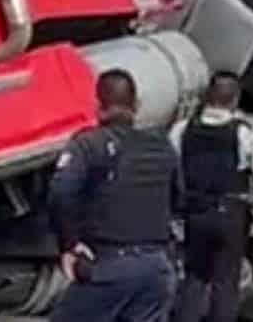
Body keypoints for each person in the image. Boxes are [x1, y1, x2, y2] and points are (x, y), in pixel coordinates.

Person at [47, 69, 181, 322]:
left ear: (97, 105)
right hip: (157, 268)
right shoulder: (162, 147)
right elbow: (178, 198)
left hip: (107, 266)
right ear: (137, 105)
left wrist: (69, 244)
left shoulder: (88, 144)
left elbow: (62, 192)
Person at [168, 72, 253, 322]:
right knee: (226, 283)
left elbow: (172, 168)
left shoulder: (182, 129)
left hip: (195, 213)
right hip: (230, 214)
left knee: (194, 278)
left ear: (207, 96)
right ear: (235, 100)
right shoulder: (242, 133)